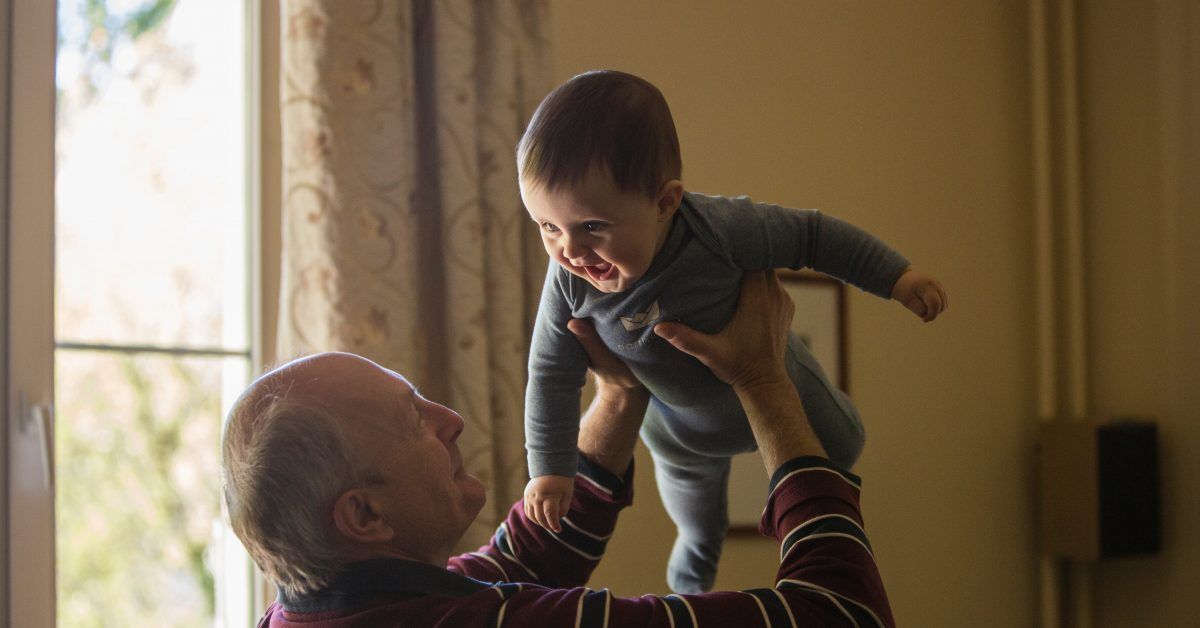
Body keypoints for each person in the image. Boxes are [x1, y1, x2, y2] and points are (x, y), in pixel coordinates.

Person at [222, 271, 895, 627]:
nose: (451, 418)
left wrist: (617, 398)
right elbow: (840, 616)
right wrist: (763, 379)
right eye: (414, 419)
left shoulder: (326, 609)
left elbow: (525, 559)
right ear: (364, 516)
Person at [520, 69, 948, 593]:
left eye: (592, 227)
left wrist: (897, 277)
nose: (569, 251)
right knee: (699, 528)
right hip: (680, 433)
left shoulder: (720, 229)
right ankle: (690, 591)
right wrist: (549, 468)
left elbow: (813, 236)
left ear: (664, 203)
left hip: (779, 381)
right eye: (547, 227)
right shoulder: (567, 281)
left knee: (845, 446)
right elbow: (550, 373)